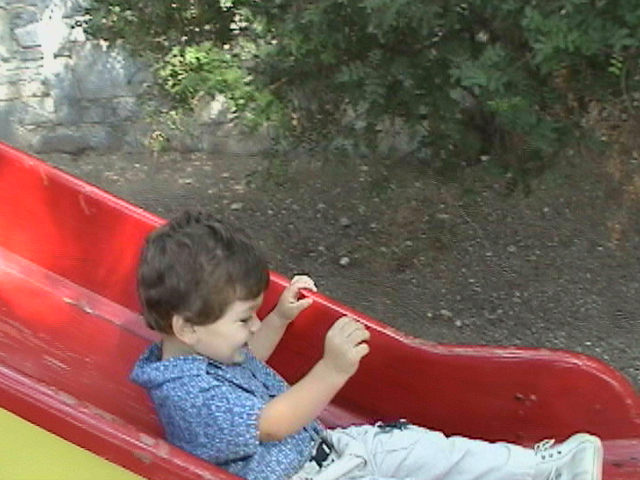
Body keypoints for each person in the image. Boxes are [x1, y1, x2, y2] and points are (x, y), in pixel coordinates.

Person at [131, 210, 604, 480]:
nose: (252, 327)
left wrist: (278, 318)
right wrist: (332, 370)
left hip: (329, 452)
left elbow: (248, 361)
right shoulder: (187, 395)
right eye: (243, 318)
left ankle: (540, 470)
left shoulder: (200, 352)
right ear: (186, 326)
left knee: (422, 448)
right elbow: (272, 425)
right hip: (310, 475)